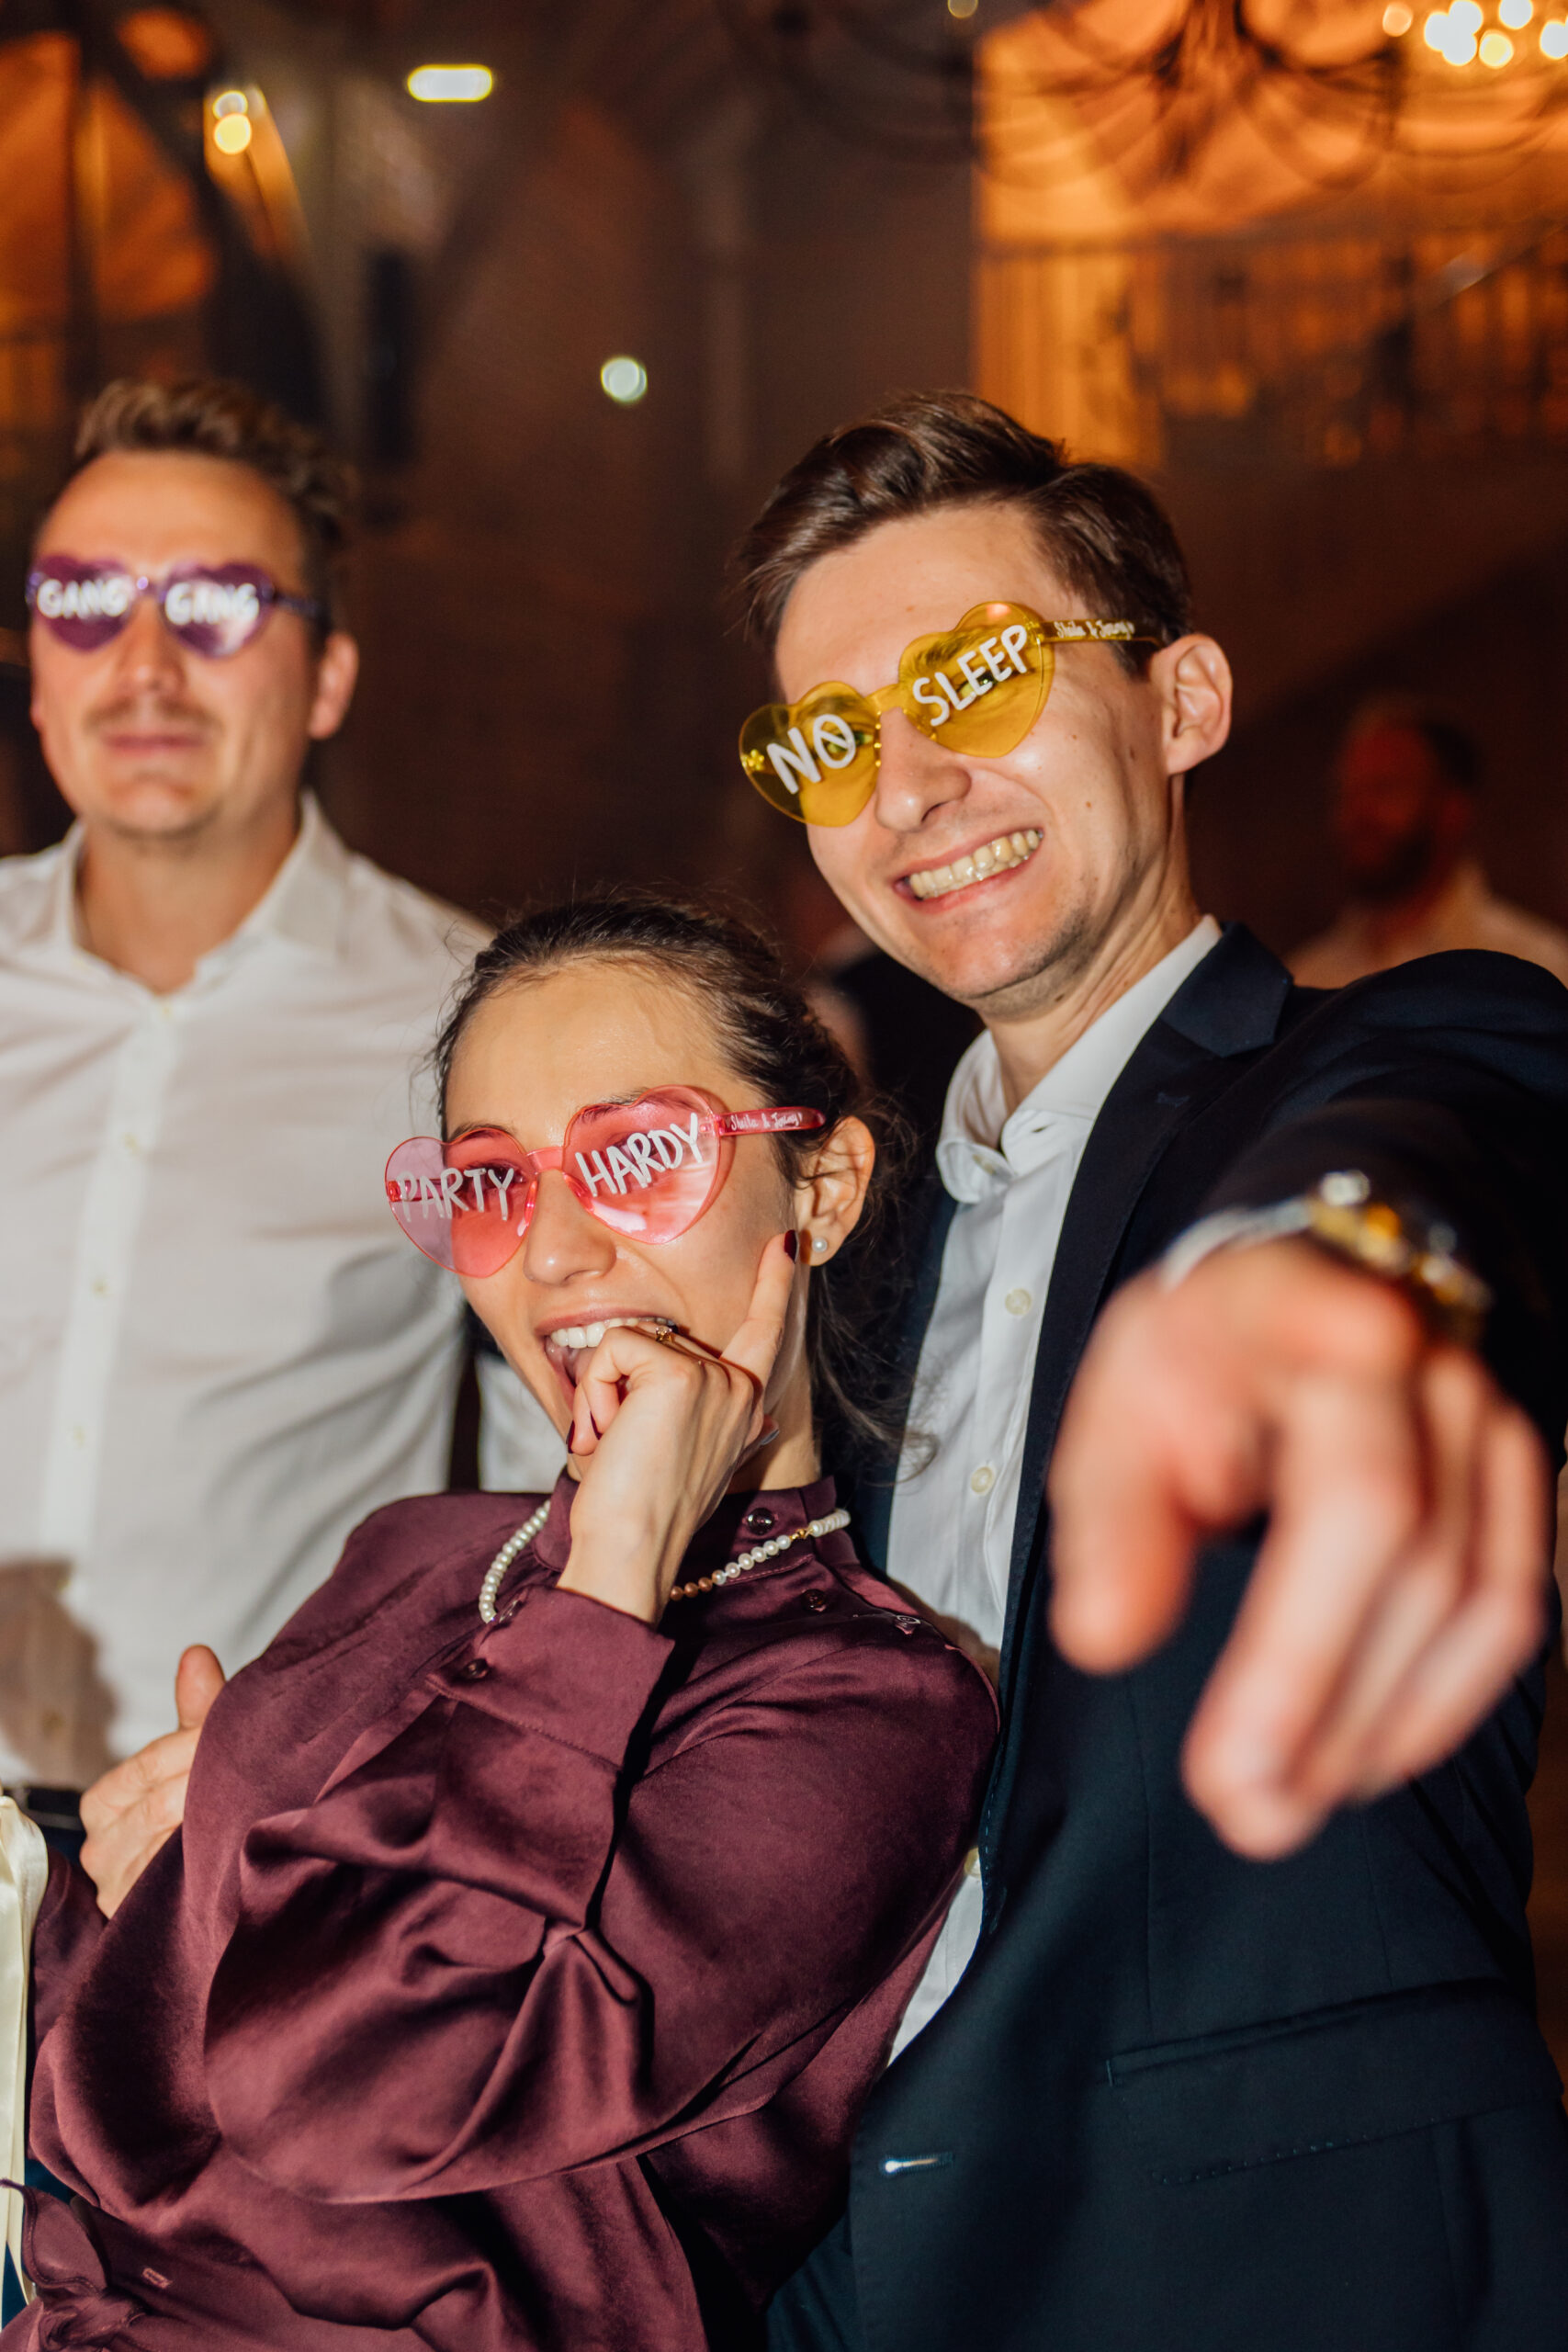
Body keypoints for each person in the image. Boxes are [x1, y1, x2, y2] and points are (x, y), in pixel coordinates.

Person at [732, 394, 1568, 2352]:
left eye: (978, 675)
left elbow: (1428, 1158)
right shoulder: (842, 1246)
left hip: (1285, 2264)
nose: (907, 783)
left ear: (1179, 702)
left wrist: (1308, 1273)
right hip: (845, 2281)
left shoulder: (1402, 1051)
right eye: (832, 738)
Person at [10, 895, 996, 2351]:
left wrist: (612, 1572)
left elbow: (347, 2089)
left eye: (638, 1156)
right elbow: (105, 2063)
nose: (551, 1255)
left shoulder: (869, 1706)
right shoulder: (419, 1558)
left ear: (822, 1189)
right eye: (491, 1185)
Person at [0, 377, 557, 1834]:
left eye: (217, 607)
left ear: (325, 679)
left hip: (248, 1854)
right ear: (36, 668)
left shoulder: (469, 1026)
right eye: (84, 603)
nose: (142, 665)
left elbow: (555, 1483)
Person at [1292, 696, 1568, 989]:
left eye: (1385, 788)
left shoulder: (1534, 968)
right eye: (1346, 794)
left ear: (1452, 808)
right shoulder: (1306, 982)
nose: (1357, 814)